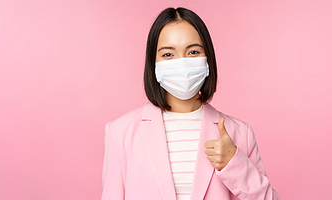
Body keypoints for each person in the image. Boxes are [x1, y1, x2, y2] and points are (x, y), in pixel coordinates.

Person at [102, 7, 281, 200]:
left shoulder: (240, 133)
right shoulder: (120, 133)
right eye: (168, 55)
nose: (182, 64)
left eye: (193, 51)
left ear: (207, 60)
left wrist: (235, 164)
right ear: (153, 65)